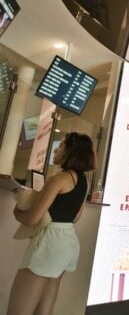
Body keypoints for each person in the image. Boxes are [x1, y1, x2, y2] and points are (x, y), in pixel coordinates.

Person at [8, 132, 96, 315]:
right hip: (67, 243)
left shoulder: (59, 179)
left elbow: (32, 218)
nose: (57, 149)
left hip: (48, 244)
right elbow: (76, 217)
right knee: (44, 310)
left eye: (62, 146)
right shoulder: (84, 182)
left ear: (71, 152)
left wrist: (17, 211)